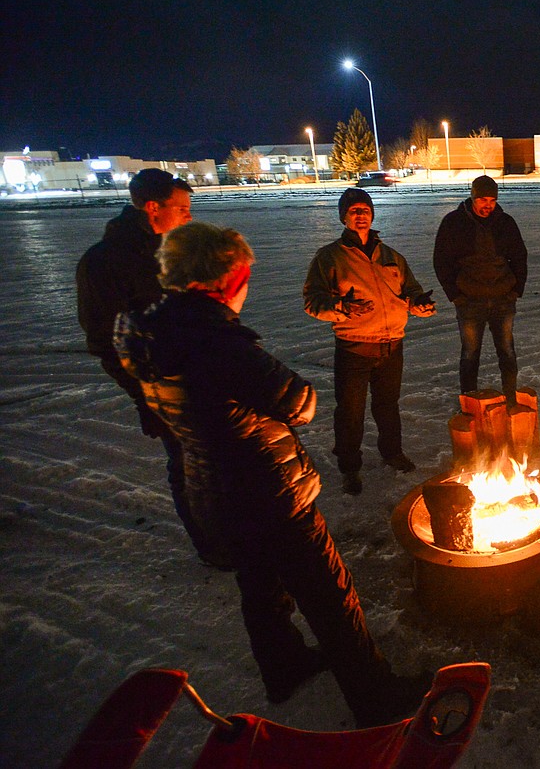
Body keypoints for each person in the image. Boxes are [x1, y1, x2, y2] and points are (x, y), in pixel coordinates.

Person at [115, 221, 432, 727]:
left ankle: (283, 666)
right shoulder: (215, 341)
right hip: (266, 489)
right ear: (224, 279)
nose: (245, 288)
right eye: (243, 277)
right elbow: (298, 402)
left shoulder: (148, 332)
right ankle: (376, 697)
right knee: (331, 596)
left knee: (260, 587)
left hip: (210, 487)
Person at [74, 168, 227, 567]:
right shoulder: (103, 263)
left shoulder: (173, 253)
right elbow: (105, 343)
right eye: (182, 209)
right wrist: (146, 395)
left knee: (220, 461)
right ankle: (213, 546)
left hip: (204, 379)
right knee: (189, 467)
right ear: (153, 208)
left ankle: (231, 531)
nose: (189, 217)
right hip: (162, 389)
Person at [303, 188, 436, 496]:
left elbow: (411, 290)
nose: (360, 214)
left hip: (392, 344)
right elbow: (312, 300)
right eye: (354, 210)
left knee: (388, 406)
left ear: (372, 214)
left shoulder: (391, 256)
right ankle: (350, 467)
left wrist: (419, 304)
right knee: (350, 411)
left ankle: (392, 453)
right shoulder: (330, 256)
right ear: (343, 216)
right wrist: (340, 309)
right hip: (354, 346)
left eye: (365, 209)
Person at [433, 175, 528, 405]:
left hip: (503, 300)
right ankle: (469, 402)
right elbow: (441, 260)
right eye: (483, 199)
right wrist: (455, 295)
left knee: (507, 352)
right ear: (473, 197)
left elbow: (519, 257)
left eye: (492, 200)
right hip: (469, 302)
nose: (487, 205)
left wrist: (515, 290)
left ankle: (511, 399)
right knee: (470, 354)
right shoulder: (453, 222)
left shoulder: (506, 223)